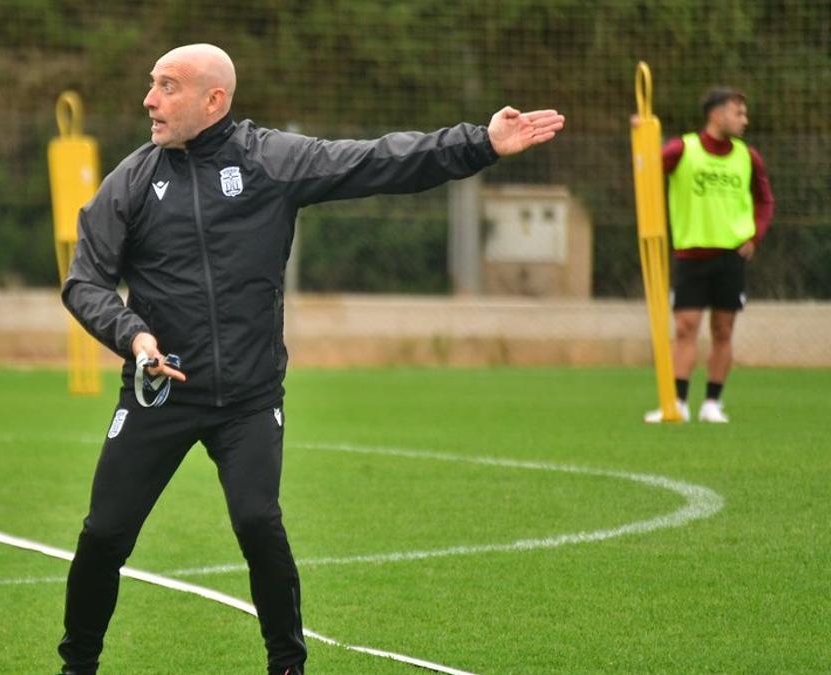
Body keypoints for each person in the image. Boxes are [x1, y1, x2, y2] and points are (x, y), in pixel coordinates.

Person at [59, 43, 565, 674]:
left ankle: (288, 666)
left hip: (247, 398)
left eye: (167, 86)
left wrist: (481, 142)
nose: (149, 100)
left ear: (213, 100)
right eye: (151, 85)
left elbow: (378, 161)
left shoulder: (269, 160)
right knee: (104, 535)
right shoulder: (132, 181)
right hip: (159, 392)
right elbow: (84, 282)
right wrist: (133, 336)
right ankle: (77, 667)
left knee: (257, 522)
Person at [644, 88, 774, 423]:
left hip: (730, 256)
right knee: (686, 328)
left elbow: (765, 200)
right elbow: (647, 168)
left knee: (723, 329)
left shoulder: (748, 156)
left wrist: (755, 236)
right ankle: (678, 403)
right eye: (738, 112)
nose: (744, 120)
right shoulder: (682, 149)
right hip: (691, 253)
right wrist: (641, 135)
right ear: (717, 115)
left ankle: (712, 403)